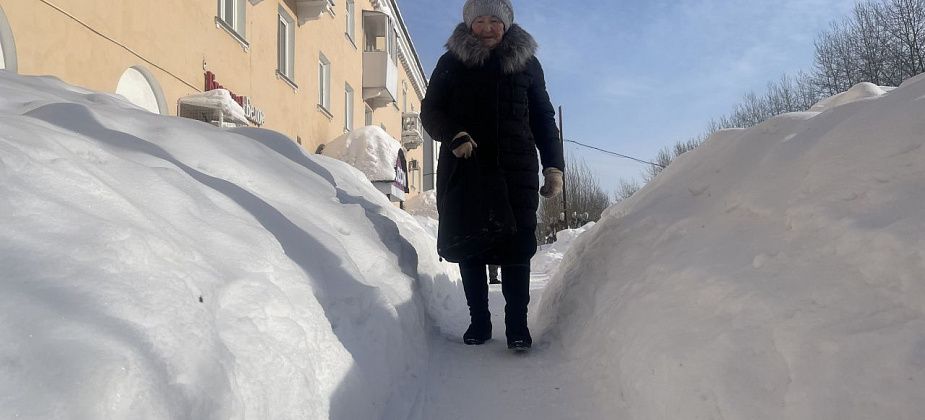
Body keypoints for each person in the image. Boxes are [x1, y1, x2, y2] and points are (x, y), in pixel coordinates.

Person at [421, 0, 564, 351]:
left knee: (518, 245)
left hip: (517, 169)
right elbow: (430, 111)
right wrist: (454, 134)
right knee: (471, 244)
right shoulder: (451, 63)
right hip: (466, 165)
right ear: (469, 26)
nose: (487, 28)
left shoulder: (527, 64)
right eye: (479, 21)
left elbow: (544, 118)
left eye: (494, 21)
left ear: (507, 24)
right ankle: (479, 322)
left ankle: (517, 325)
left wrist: (554, 165)